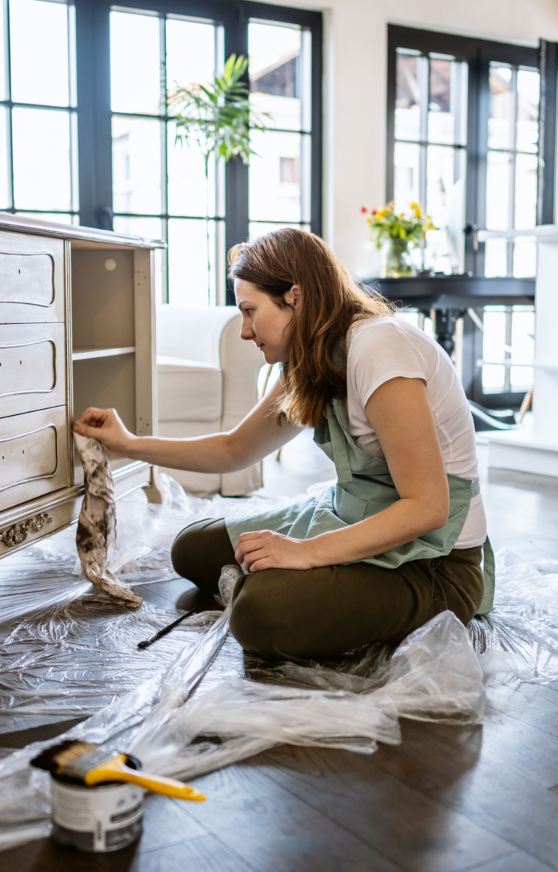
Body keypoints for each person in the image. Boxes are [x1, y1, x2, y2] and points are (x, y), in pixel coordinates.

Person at [73, 228, 493, 660]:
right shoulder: (312, 357)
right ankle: (307, 588)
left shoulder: (380, 349)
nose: (244, 330)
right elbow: (234, 450)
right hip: (354, 516)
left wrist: (304, 553)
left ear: (294, 296)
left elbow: (427, 507)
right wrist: (128, 444)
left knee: (262, 614)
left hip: (435, 562)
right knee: (190, 548)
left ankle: (293, 591)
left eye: (250, 311)